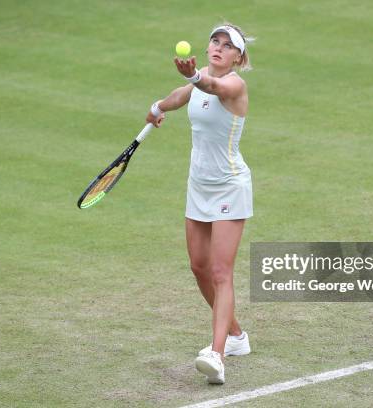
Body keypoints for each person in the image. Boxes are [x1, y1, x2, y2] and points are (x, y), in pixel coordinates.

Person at [145, 23, 254, 384]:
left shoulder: (233, 84)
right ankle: (237, 337)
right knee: (199, 268)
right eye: (215, 41)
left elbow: (210, 87)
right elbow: (184, 94)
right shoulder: (202, 77)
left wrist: (194, 76)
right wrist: (158, 107)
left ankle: (217, 354)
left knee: (222, 273)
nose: (218, 47)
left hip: (229, 187)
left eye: (228, 45)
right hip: (199, 186)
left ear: (239, 56)